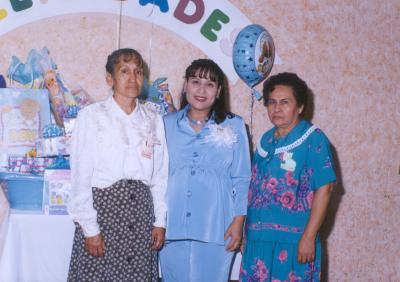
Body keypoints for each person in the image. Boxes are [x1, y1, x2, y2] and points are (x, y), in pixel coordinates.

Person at [67, 48, 168, 281]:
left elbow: (160, 175)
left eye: (138, 71)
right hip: (104, 215)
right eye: (124, 71)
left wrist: (159, 221)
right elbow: (80, 177)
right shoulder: (92, 116)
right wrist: (90, 229)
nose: (133, 78)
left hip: (141, 216)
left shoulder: (153, 118)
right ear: (110, 79)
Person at [160, 59, 251, 281]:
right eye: (195, 82)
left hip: (217, 225)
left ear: (218, 91)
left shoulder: (235, 125)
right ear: (185, 86)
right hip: (172, 225)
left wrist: (239, 222)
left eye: (210, 84)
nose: (201, 90)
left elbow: (242, 177)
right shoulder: (165, 123)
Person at [239, 72, 336, 281]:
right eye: (271, 102)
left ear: (300, 107)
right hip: (258, 240)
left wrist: (309, 236)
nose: (277, 108)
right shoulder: (266, 139)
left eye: (285, 102)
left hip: (294, 241)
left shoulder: (313, 139)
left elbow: (325, 188)